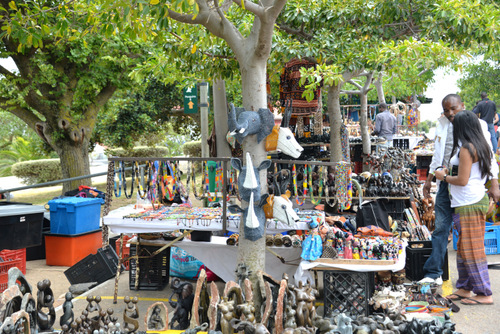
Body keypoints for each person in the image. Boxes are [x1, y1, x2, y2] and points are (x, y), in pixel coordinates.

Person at [419, 94, 500, 285]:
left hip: (465, 188)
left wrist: (494, 183)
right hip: (446, 183)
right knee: (440, 228)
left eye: (453, 108)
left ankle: (478, 286)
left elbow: (489, 155)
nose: (450, 113)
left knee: (468, 240)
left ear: (463, 106)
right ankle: (434, 273)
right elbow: (437, 157)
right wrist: (429, 180)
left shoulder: (477, 125)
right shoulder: (441, 125)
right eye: (446, 110)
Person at [434, 110, 494, 305]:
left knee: (472, 250)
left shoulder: (467, 148)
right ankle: (465, 287)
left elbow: (462, 180)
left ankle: (484, 293)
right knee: (463, 248)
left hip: (469, 203)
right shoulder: (478, 145)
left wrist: (443, 177)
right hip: (467, 202)